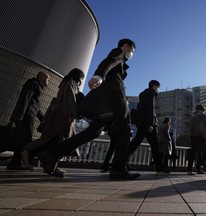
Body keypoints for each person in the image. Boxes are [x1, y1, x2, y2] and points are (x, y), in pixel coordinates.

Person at [33, 38, 140, 180]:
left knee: (92, 133)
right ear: (125, 46)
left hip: (105, 107)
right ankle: (118, 169)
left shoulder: (121, 64)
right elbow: (108, 62)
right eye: (131, 50)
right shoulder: (118, 52)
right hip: (114, 104)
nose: (131, 54)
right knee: (125, 130)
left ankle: (52, 154)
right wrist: (99, 76)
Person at [21, 68, 85, 176]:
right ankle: (31, 152)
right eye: (81, 78)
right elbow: (70, 99)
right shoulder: (71, 83)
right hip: (64, 114)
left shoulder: (64, 82)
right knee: (59, 140)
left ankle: (47, 165)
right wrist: (71, 114)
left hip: (58, 113)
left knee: (53, 139)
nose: (81, 80)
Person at [6, 71, 50, 170]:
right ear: (42, 77)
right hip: (26, 116)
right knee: (24, 140)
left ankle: (16, 162)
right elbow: (25, 98)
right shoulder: (33, 83)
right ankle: (16, 163)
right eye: (48, 79)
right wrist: (20, 114)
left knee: (23, 139)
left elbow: (35, 106)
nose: (48, 81)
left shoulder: (37, 86)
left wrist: (43, 119)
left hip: (28, 115)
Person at [127, 80, 166, 175]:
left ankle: (121, 162)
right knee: (155, 145)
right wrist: (151, 124)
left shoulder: (144, 94)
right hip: (147, 124)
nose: (158, 90)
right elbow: (150, 109)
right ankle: (160, 169)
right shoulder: (150, 93)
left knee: (135, 142)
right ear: (154, 86)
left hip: (141, 123)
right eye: (158, 87)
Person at [187, 104, 206, 175]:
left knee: (192, 153)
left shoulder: (192, 117)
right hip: (201, 136)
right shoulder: (203, 116)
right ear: (202, 109)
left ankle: (189, 170)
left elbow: (190, 129)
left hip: (193, 137)